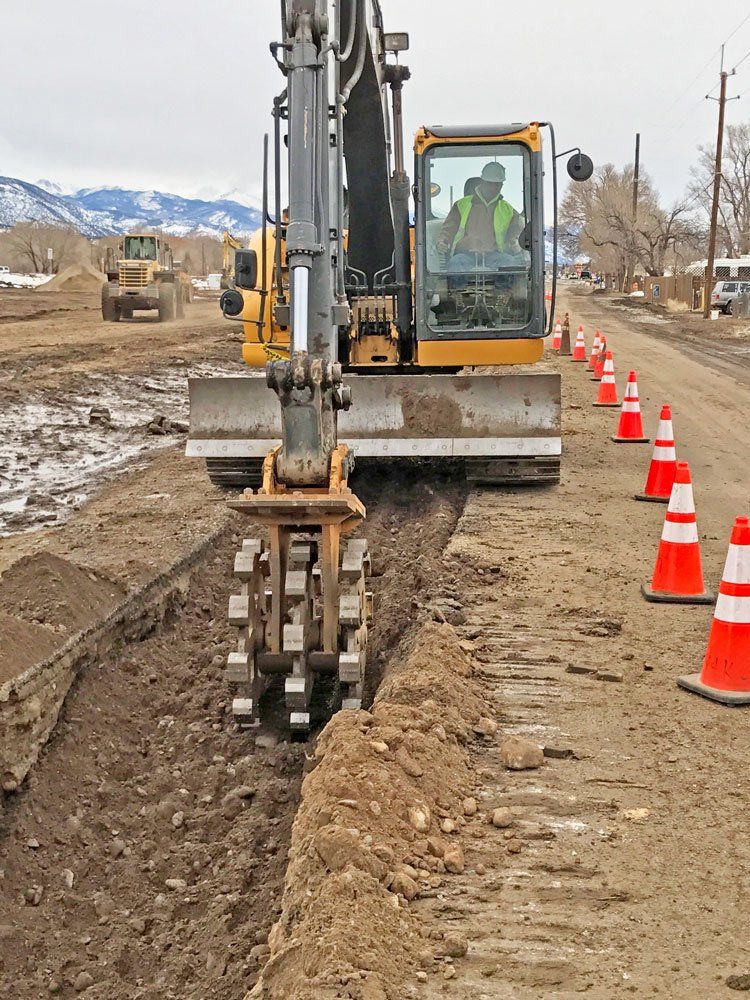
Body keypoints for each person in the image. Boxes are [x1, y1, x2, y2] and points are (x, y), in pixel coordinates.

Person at [436, 161, 525, 285]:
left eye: (498, 184)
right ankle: (457, 297)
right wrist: (443, 241)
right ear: (482, 182)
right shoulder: (462, 205)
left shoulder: (508, 210)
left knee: (509, 263)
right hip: (465, 255)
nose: (494, 188)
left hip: (494, 255)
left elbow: (516, 231)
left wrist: (515, 241)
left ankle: (502, 296)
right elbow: (448, 229)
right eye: (490, 184)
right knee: (455, 265)